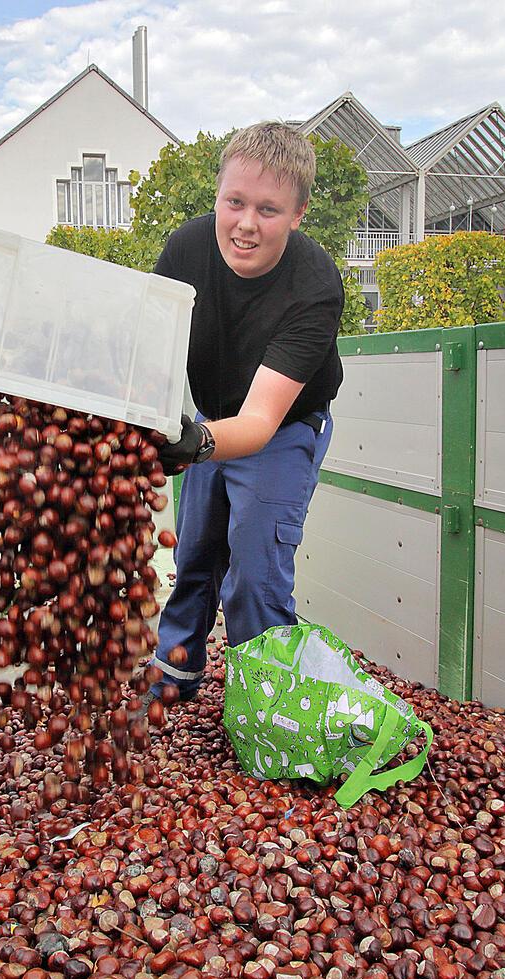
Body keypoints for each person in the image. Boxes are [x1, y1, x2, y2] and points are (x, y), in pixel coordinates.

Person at [147, 122, 344, 707]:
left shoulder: (314, 286)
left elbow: (258, 423)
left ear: (298, 213)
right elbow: (146, 345)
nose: (247, 225)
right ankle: (174, 678)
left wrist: (191, 443)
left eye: (269, 209)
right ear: (217, 196)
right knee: (196, 554)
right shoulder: (186, 249)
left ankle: (268, 705)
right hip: (209, 416)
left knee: (255, 570)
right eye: (234, 202)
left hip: (280, 429)